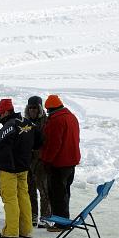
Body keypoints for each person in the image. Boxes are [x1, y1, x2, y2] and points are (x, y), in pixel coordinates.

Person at [0, 99, 38, 238]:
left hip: (9, 169)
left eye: (0, 114)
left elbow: (2, 148)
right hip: (24, 167)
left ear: (5, 112)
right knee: (23, 196)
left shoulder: (8, 126)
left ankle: (11, 231)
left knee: (10, 198)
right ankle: (26, 229)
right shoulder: (28, 123)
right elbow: (39, 141)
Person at [40, 94, 80, 229]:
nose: (47, 113)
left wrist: (46, 160)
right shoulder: (71, 117)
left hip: (59, 164)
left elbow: (53, 144)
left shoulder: (56, 121)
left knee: (57, 195)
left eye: (48, 110)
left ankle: (61, 224)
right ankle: (64, 220)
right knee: (65, 193)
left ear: (50, 108)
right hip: (71, 162)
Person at [24, 96, 51, 227]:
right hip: (28, 162)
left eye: (35, 107)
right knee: (30, 190)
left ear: (40, 108)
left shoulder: (46, 122)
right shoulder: (25, 122)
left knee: (44, 190)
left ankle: (45, 217)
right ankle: (33, 215)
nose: (32, 110)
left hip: (41, 162)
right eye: (30, 108)